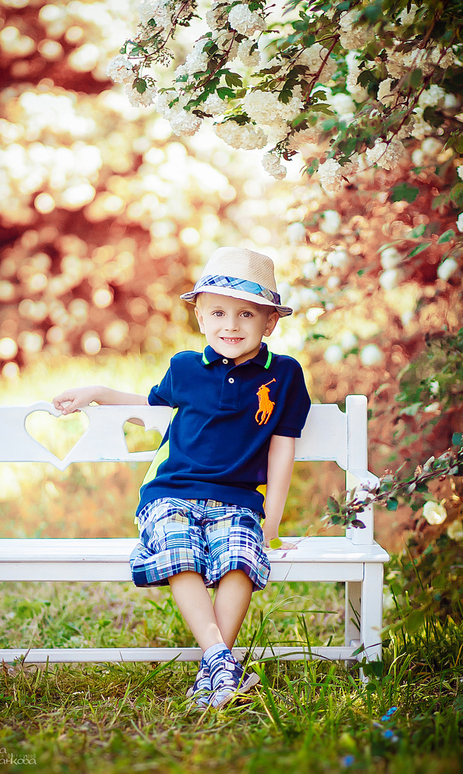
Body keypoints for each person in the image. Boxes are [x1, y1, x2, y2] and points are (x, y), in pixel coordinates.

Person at [53, 247, 311, 709]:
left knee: (240, 556)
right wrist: (98, 392)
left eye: (246, 314)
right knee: (180, 551)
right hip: (170, 493)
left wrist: (271, 524)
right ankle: (222, 662)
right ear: (200, 318)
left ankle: (215, 671)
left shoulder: (285, 375)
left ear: (270, 323)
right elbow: (150, 408)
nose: (231, 325)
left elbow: (282, 448)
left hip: (237, 500)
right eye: (218, 313)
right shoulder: (185, 367)